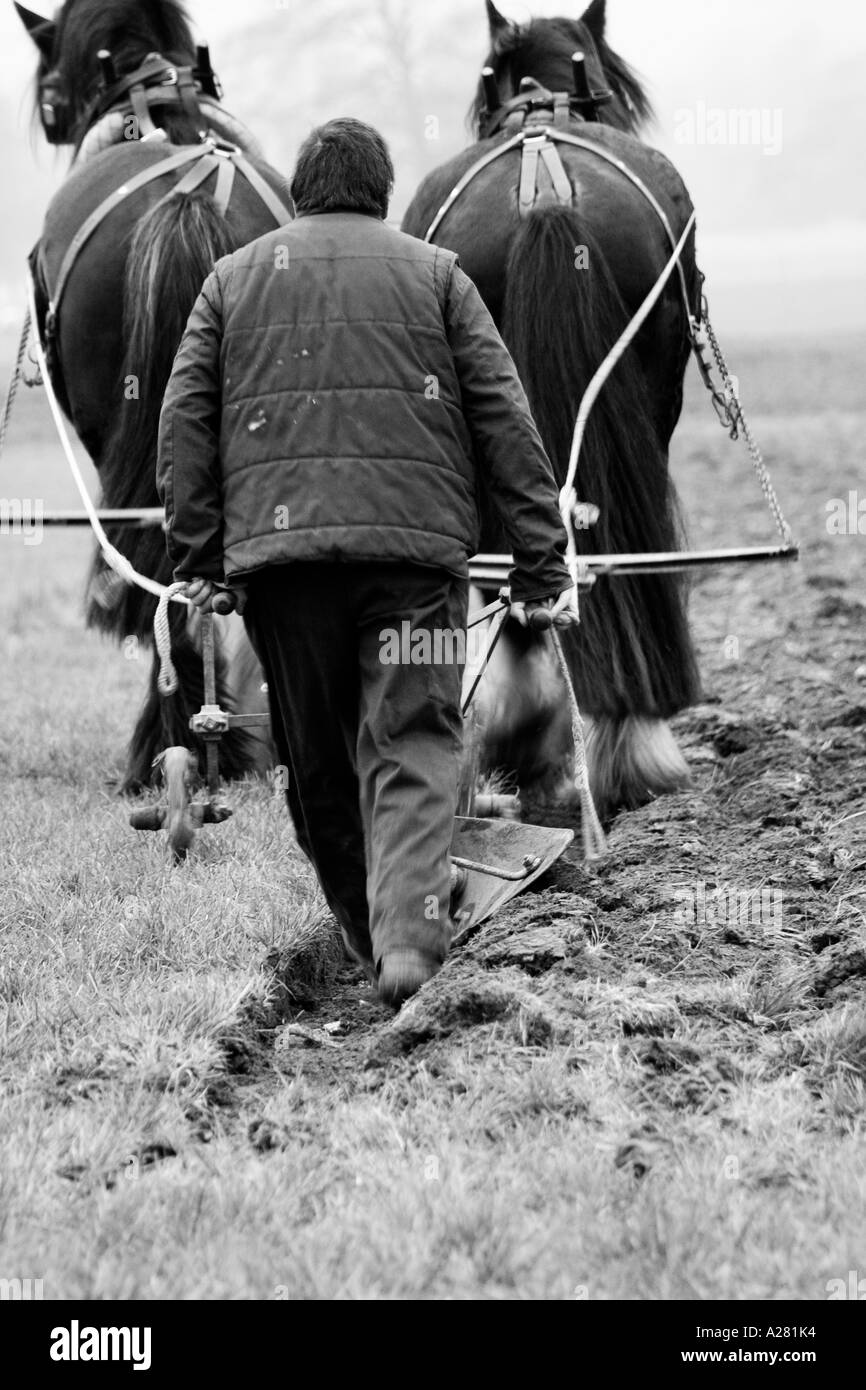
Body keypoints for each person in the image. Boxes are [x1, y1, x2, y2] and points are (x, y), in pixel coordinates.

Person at [156, 117, 577, 1009]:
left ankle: (368, 938)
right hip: (415, 567)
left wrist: (201, 555)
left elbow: (184, 420)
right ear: (383, 196)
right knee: (413, 740)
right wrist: (540, 564)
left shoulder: (231, 280)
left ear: (302, 192)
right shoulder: (439, 276)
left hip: (282, 567)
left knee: (314, 763)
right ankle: (411, 942)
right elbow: (507, 419)